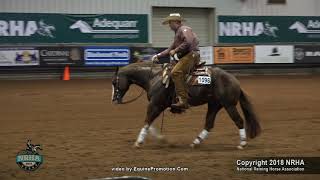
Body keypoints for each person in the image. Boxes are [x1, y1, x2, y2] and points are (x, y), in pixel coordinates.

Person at [152, 13, 200, 110]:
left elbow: (189, 41)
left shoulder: (184, 29)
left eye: (170, 22)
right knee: (170, 71)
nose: (169, 25)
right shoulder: (178, 33)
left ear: (176, 22)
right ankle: (174, 97)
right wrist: (158, 55)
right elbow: (170, 49)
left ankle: (183, 101)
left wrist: (176, 50)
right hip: (187, 56)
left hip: (191, 55)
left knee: (176, 72)